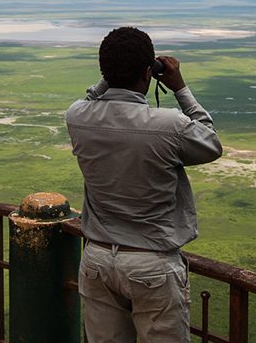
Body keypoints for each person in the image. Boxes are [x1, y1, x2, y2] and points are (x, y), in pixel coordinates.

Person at [65, 26, 223, 342]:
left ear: (103, 71)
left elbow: (92, 97)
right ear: (148, 73)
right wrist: (180, 88)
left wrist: (110, 76)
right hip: (152, 264)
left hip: (96, 259)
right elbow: (210, 143)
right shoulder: (169, 126)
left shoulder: (77, 117)